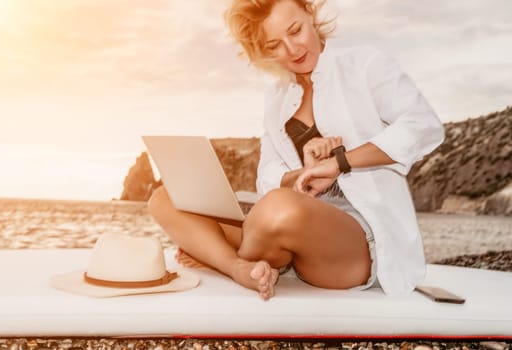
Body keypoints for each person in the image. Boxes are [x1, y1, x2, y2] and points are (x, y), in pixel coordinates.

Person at [148, 0, 445, 300]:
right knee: (164, 198)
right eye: (275, 44)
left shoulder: (364, 64)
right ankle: (237, 266)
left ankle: (218, 258)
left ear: (310, 13)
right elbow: (267, 176)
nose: (292, 49)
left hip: (360, 240)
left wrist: (340, 162)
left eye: (295, 30)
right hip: (284, 231)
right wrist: (304, 172)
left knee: (277, 208)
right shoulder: (277, 97)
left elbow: (423, 126)